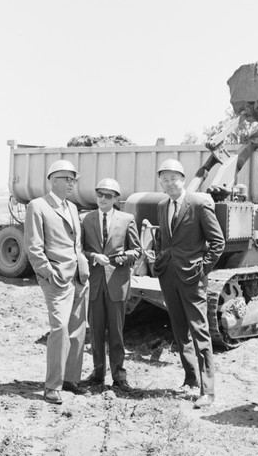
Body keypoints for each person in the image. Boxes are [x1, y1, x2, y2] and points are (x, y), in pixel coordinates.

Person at [153, 159, 225, 409]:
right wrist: (160, 262)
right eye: (164, 179)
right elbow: (163, 239)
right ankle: (191, 378)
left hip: (193, 278)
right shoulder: (162, 205)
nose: (169, 182)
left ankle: (208, 390)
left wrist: (202, 269)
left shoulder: (199, 203)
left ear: (183, 179)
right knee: (179, 329)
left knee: (199, 332)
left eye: (174, 177)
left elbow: (217, 243)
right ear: (160, 183)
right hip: (169, 276)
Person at [24, 159, 90, 405]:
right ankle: (52, 386)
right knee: (60, 329)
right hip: (56, 279)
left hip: (78, 277)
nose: (72, 184)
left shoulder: (72, 208)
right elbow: (33, 246)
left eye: (74, 180)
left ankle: (71, 379)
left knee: (76, 330)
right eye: (68, 179)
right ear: (53, 180)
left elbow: (77, 243)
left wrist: (82, 266)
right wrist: (46, 272)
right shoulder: (38, 206)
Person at [82, 178, 141, 392]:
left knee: (116, 332)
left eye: (108, 195)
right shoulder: (86, 219)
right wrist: (93, 257)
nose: (103, 199)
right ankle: (98, 374)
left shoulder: (127, 219)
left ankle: (119, 376)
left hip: (117, 282)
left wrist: (122, 258)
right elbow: (79, 251)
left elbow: (137, 250)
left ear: (117, 198)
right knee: (96, 332)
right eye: (100, 194)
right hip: (95, 284)